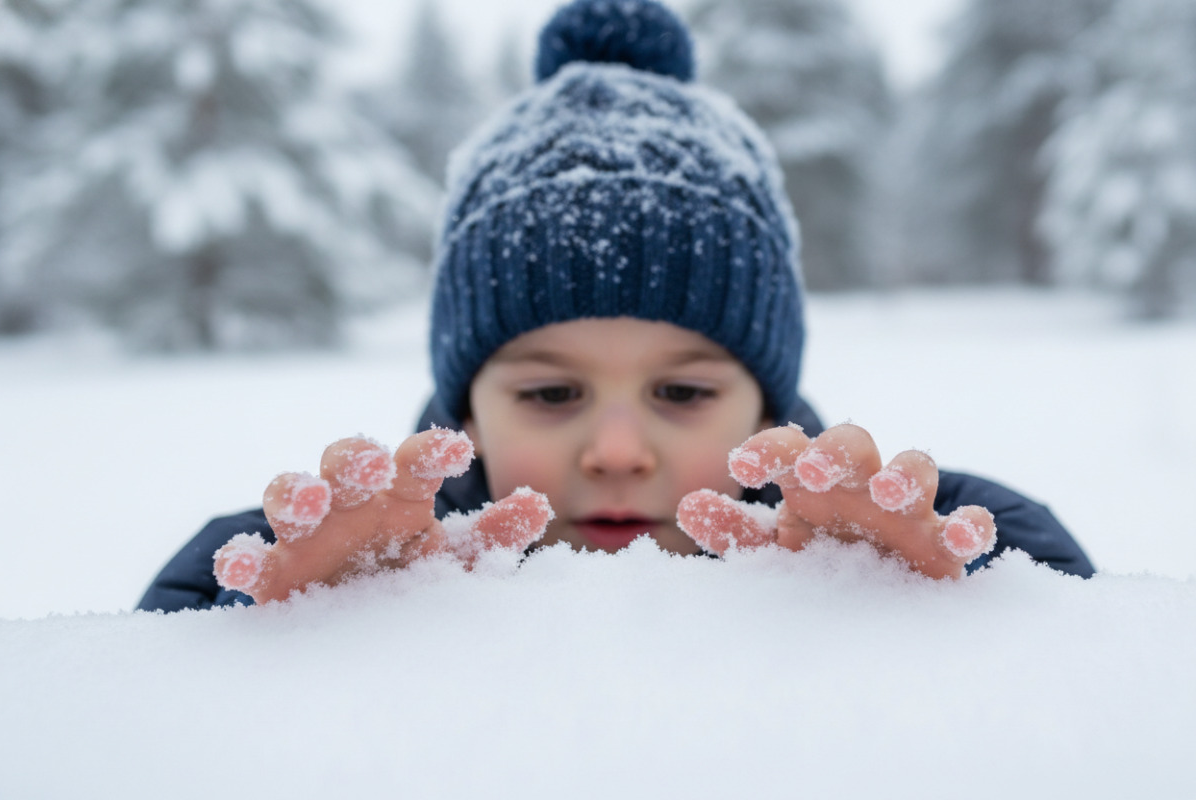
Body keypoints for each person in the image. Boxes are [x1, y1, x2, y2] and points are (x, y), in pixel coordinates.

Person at [138, 0, 1094, 613]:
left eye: (682, 392)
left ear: (766, 405)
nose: (618, 452)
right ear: (464, 408)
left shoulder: (893, 542)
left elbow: (1079, 643)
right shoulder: (329, 565)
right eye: (552, 395)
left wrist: (942, 607)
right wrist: (289, 633)